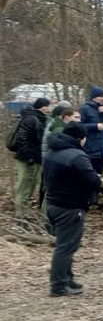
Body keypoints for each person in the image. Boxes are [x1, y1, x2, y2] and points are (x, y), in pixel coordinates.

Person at [42, 122, 103, 296]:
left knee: (66, 244)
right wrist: (98, 179)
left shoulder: (52, 151)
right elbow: (92, 180)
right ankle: (58, 285)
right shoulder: (77, 156)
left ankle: (67, 278)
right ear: (80, 138)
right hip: (70, 206)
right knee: (66, 247)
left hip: (53, 203)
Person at [11, 97, 50, 230]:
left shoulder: (40, 119)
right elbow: (22, 138)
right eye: (47, 106)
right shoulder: (31, 119)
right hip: (27, 160)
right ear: (42, 107)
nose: (48, 108)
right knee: (24, 188)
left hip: (36, 159)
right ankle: (19, 220)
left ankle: (23, 217)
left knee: (30, 188)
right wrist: (28, 157)